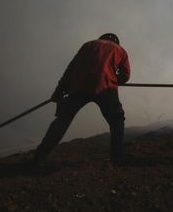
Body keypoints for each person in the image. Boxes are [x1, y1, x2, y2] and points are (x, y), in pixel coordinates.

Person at [33, 33, 130, 164]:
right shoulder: (120, 50)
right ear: (116, 42)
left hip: (78, 87)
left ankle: (39, 156)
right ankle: (117, 157)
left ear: (101, 38)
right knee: (117, 120)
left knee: (62, 120)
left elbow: (71, 68)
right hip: (106, 88)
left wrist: (59, 90)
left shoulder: (88, 44)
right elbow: (125, 75)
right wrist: (113, 79)